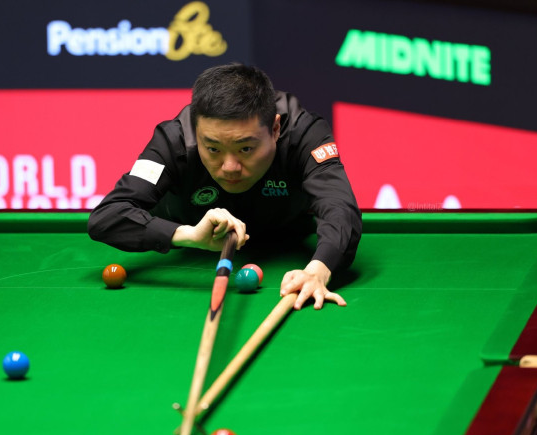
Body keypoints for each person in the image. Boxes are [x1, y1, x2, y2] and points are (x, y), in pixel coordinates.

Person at [88, 63, 361, 310]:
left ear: (275, 129)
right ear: (196, 130)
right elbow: (107, 215)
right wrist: (189, 235)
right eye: (213, 148)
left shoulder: (303, 134)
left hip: (285, 237)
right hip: (192, 239)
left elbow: (339, 207)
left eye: (245, 148)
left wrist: (318, 270)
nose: (230, 167)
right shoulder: (173, 141)